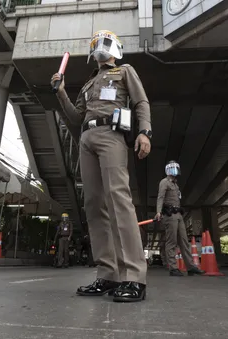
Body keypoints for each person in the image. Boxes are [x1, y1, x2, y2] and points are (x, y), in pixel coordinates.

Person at [51, 29, 152, 302]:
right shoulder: (87, 84)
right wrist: (61, 93)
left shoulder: (124, 71)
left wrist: (144, 132)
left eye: (105, 42)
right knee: (94, 204)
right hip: (86, 137)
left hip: (112, 135)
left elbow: (141, 101)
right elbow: (75, 117)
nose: (100, 47)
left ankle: (133, 277)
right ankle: (107, 274)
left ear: (115, 48)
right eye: (95, 44)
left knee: (118, 199)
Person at [155, 161, 205, 276]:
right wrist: (158, 211)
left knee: (184, 241)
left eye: (177, 168)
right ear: (169, 169)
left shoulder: (175, 185)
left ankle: (191, 267)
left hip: (178, 214)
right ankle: (173, 268)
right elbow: (160, 197)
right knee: (171, 241)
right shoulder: (164, 182)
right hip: (170, 215)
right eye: (174, 168)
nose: (176, 170)